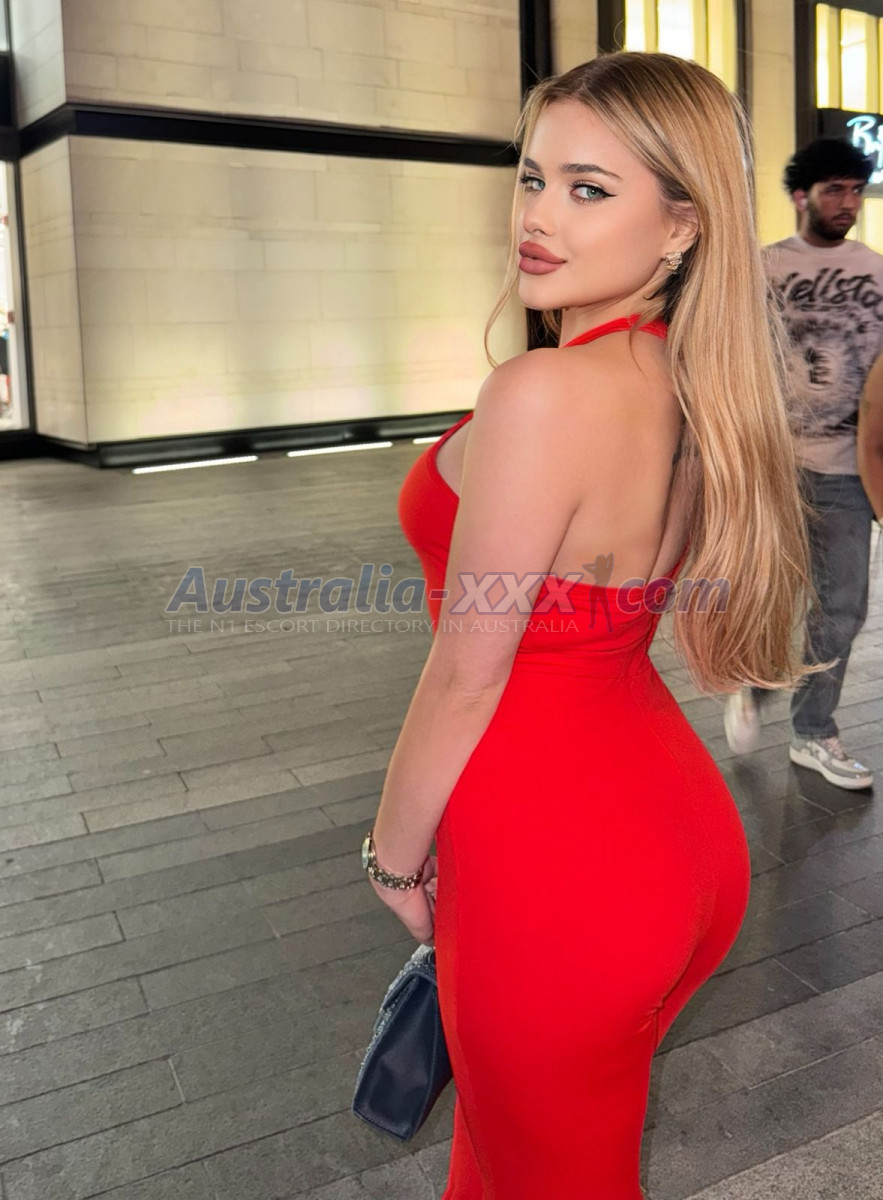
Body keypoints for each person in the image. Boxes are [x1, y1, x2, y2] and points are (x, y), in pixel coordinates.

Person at [361, 53, 811, 1199]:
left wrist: (393, 859)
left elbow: (468, 673)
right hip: (673, 836)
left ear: (682, 227)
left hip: (552, 866)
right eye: (531, 177)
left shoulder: (542, 393)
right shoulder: (687, 385)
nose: (538, 216)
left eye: (588, 189)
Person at [724, 138, 878, 789]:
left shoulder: (876, 272)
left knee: (841, 607)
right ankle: (755, 683)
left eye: (855, 190)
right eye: (833, 189)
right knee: (770, 595)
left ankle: (812, 731)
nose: (847, 202)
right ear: (800, 196)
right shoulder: (765, 270)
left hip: (847, 470)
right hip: (776, 467)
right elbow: (731, 361)